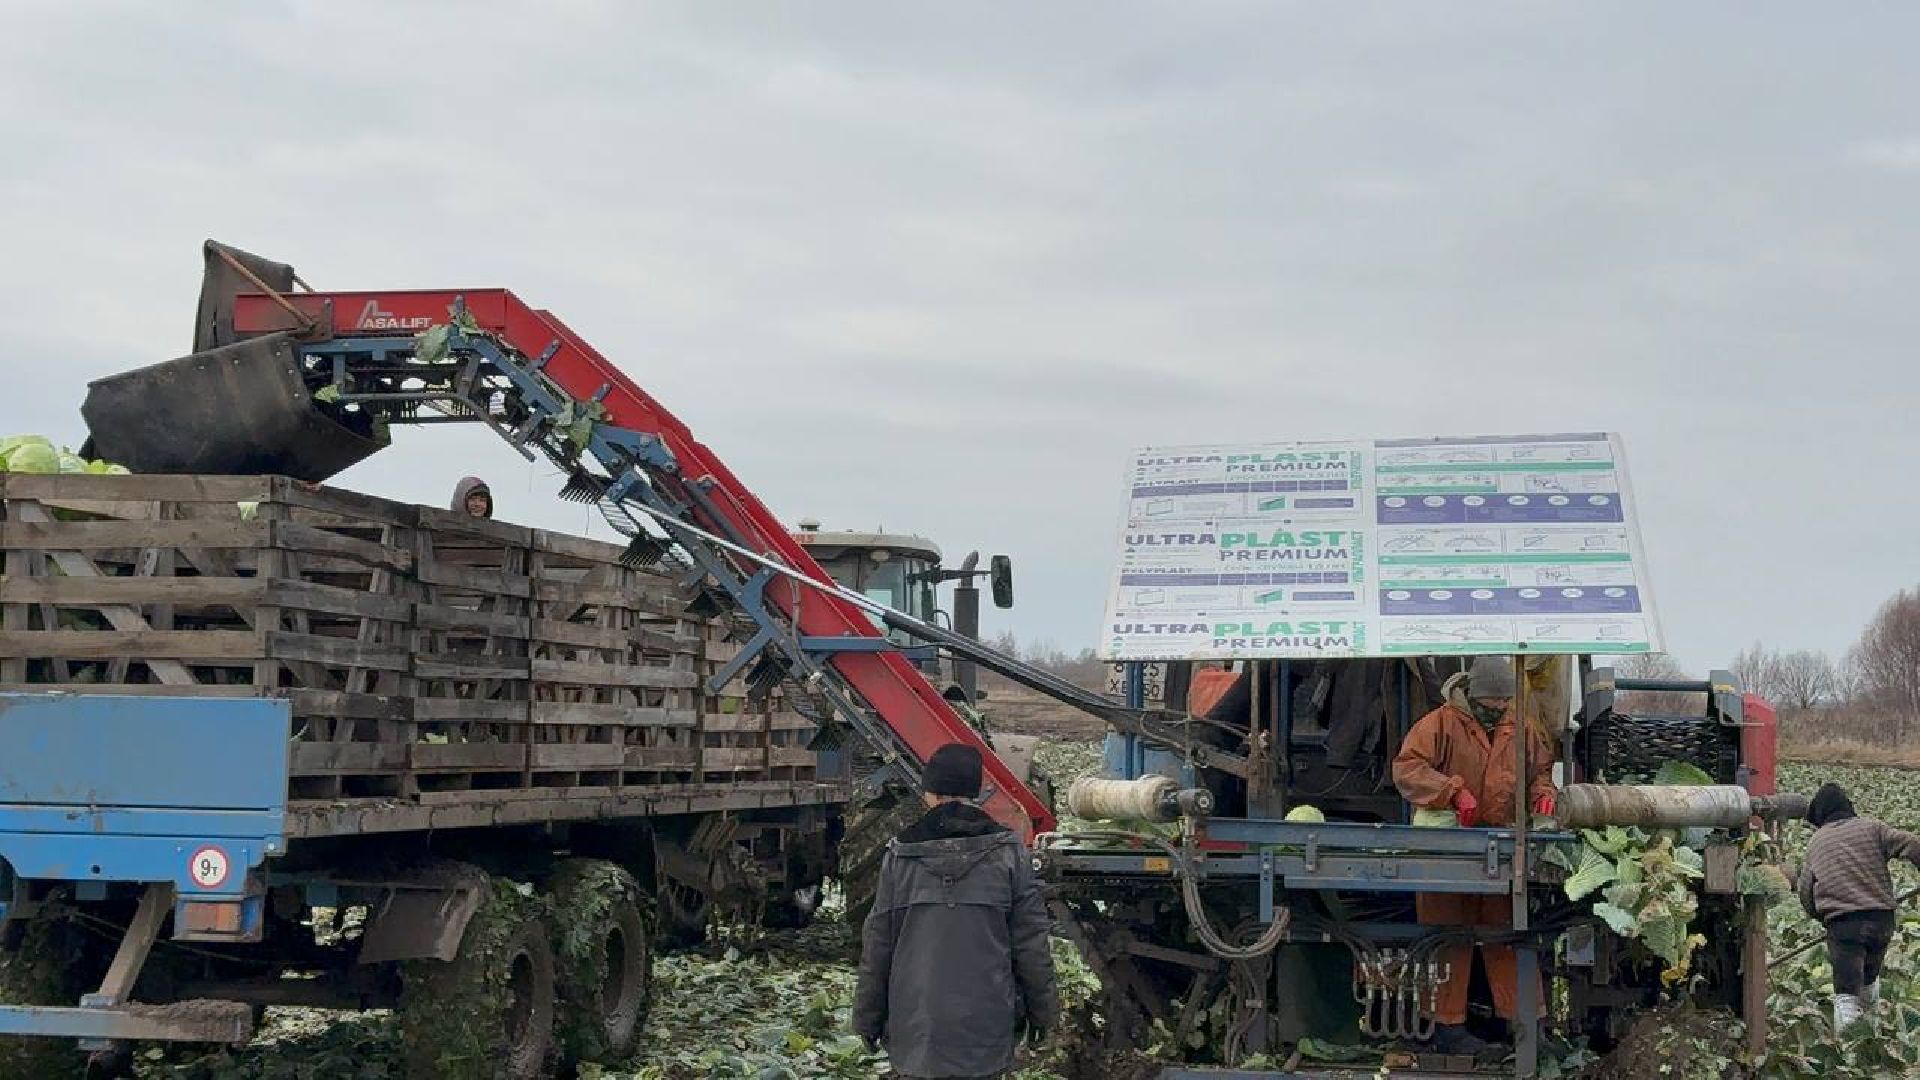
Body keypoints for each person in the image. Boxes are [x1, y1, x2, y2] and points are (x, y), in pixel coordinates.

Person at [853, 743, 1059, 1079]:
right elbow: (1031, 945)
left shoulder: (901, 856)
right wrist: (1043, 1014)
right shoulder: (1009, 854)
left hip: (917, 1029)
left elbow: (878, 946)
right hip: (986, 1031)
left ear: (929, 793)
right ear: (975, 792)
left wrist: (867, 1019)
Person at [1391, 655, 1556, 1057]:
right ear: (1474, 694)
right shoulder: (1440, 723)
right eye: (1492, 701)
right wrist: (1451, 792)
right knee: (1448, 935)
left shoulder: (1520, 727)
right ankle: (1446, 1028)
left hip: (1503, 848)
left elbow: (1540, 771)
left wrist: (1543, 794)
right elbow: (1407, 768)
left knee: (1508, 934)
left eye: (1505, 701)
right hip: (1448, 850)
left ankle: (1526, 1027)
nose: (1500, 708)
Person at [1797, 781, 1920, 1032]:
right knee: (1869, 979)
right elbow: (1911, 844)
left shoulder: (1817, 842)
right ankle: (1874, 1034)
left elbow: (1806, 891)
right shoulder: (1872, 828)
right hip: (1881, 920)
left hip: (1844, 925)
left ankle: (1851, 1046)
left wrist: (1823, 918)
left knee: (1847, 994)